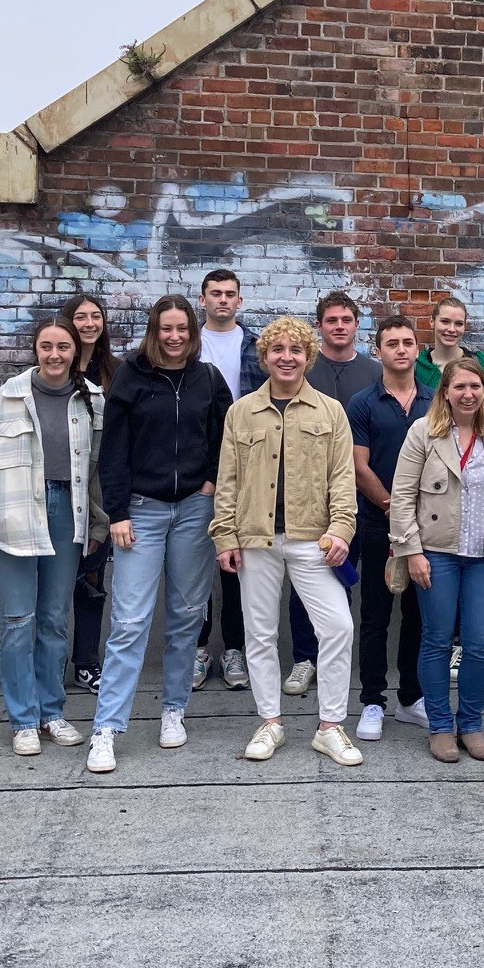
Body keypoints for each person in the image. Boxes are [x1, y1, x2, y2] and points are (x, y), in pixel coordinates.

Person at [87, 296, 231, 774]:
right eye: (166, 329)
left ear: (193, 332)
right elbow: (113, 450)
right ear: (154, 330)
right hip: (142, 514)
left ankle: (174, 709)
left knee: (187, 616)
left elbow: (225, 437)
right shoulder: (130, 375)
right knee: (129, 622)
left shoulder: (208, 379)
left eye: (182, 330)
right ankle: (107, 728)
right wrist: (118, 512)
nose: (174, 337)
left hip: (194, 510)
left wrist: (210, 481)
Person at [211, 315, 364, 767]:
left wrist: (341, 529)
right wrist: (224, 537)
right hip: (254, 538)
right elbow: (227, 481)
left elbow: (342, 477)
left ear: (307, 357)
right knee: (260, 634)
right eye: (277, 349)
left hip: (312, 540)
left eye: (295, 350)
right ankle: (270, 723)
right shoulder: (241, 412)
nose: (286, 357)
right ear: (265, 357)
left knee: (338, 626)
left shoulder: (330, 411)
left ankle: (330, 727)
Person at [0, 317, 105, 756]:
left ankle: (52, 712)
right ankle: (22, 720)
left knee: (53, 618)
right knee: (17, 620)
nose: (55, 355)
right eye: (46, 346)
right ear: (35, 350)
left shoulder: (93, 401)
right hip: (16, 516)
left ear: (74, 350)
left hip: (68, 515)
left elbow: (100, 471)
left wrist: (98, 523)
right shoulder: (7, 397)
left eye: (63, 347)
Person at [392, 358, 484, 762]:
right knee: (437, 640)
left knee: (480, 643)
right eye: (459, 386)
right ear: (445, 391)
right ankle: (441, 727)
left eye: (475, 387)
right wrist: (411, 550)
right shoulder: (423, 433)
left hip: (483, 556)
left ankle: (472, 725)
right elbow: (403, 496)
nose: (468, 394)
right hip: (437, 555)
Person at [280, 291, 378, 696]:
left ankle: (337, 657)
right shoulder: (303, 369)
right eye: (332, 320)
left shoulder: (373, 372)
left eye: (347, 319)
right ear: (319, 325)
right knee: (305, 585)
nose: (340, 326)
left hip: (358, 498)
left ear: (357, 325)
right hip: (305, 500)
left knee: (348, 577)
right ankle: (304, 658)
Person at [345, 315, 432, 742]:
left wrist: (416, 516)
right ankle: (373, 701)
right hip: (378, 524)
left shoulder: (436, 402)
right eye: (392, 343)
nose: (400, 349)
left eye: (408, 342)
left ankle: (410, 699)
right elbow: (358, 467)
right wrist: (392, 507)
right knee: (376, 616)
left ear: (418, 350)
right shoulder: (362, 402)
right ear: (378, 351)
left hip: (427, 529)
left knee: (418, 617)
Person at [196, 269, 261, 692]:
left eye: (230, 294)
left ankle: (233, 647)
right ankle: (198, 648)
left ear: (240, 300)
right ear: (203, 299)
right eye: (215, 294)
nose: (223, 300)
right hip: (199, 466)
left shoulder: (256, 347)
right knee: (197, 563)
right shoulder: (187, 343)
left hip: (247, 465)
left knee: (238, 564)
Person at [60, 292, 120, 696]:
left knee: (92, 581)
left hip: (102, 492)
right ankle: (46, 665)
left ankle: (86, 663)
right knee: (52, 585)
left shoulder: (117, 371)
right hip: (59, 491)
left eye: (95, 316)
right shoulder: (51, 368)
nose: (88, 323)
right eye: (80, 317)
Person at [414, 295, 484, 424]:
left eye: (458, 324)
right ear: (432, 322)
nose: (451, 329)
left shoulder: (481, 366)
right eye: (445, 321)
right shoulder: (416, 368)